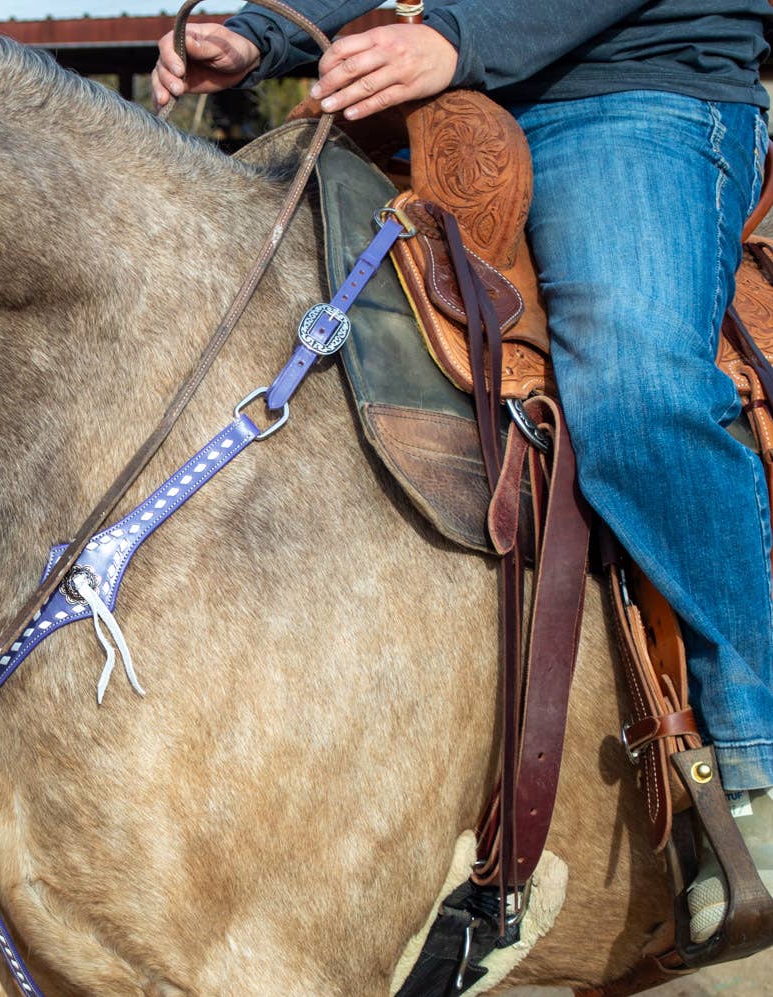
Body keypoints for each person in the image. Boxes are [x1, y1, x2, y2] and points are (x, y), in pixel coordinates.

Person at [152, 0, 773, 943]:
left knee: (636, 387)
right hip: (436, 100)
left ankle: (752, 754)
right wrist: (264, 33)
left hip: (628, 94)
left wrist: (455, 37)